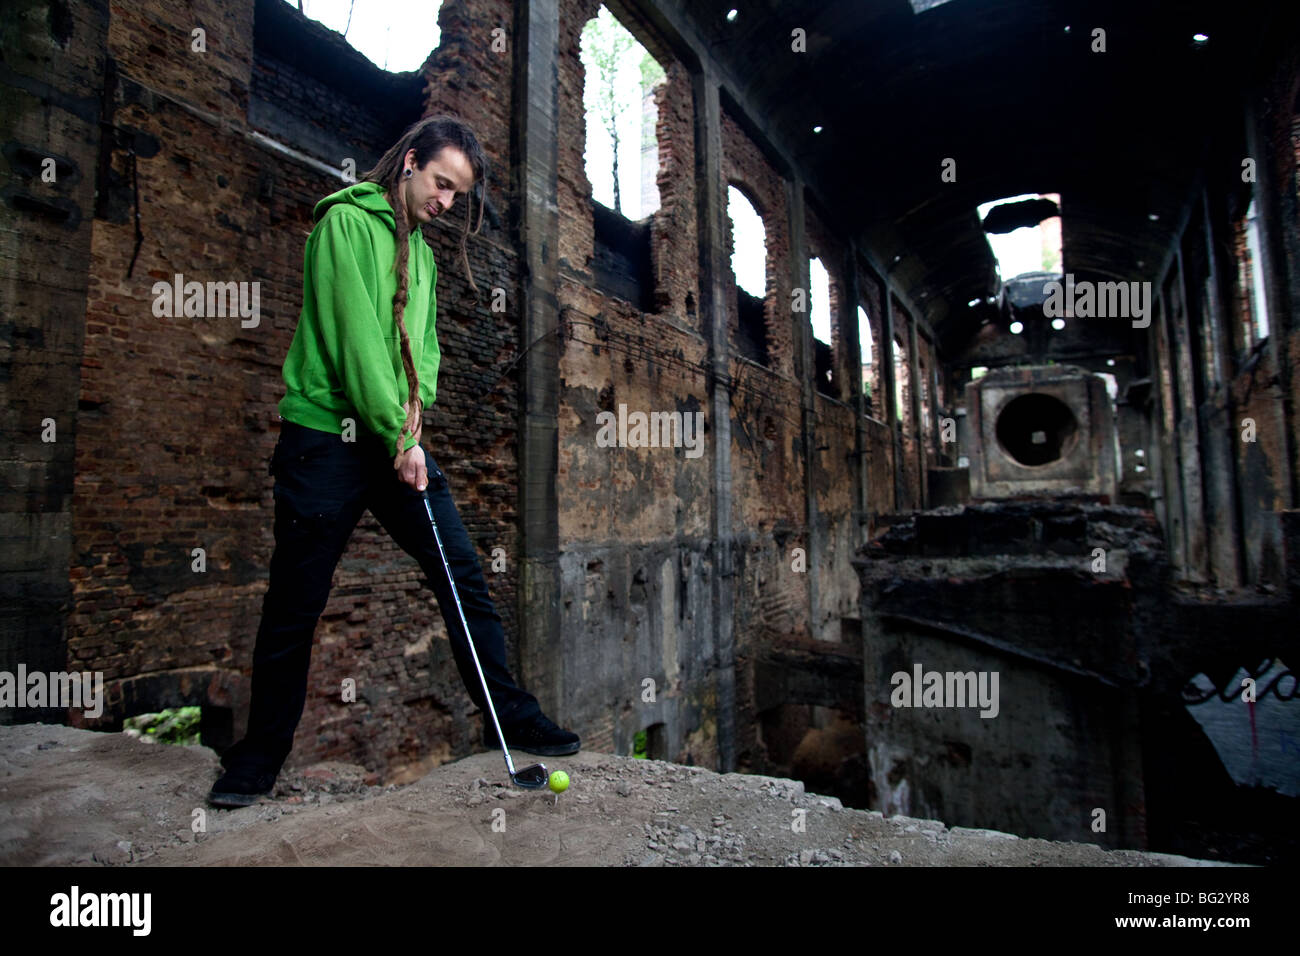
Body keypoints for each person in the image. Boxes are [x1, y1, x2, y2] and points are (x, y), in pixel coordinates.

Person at [208, 116, 578, 808]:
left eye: (457, 196)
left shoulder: (430, 260)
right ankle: (258, 758)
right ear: (410, 163)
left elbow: (424, 351)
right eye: (441, 185)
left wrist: (413, 423)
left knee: (463, 572)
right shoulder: (343, 226)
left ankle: (513, 716)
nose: (446, 204)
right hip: (325, 440)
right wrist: (395, 437)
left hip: (395, 439)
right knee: (296, 603)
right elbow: (357, 344)